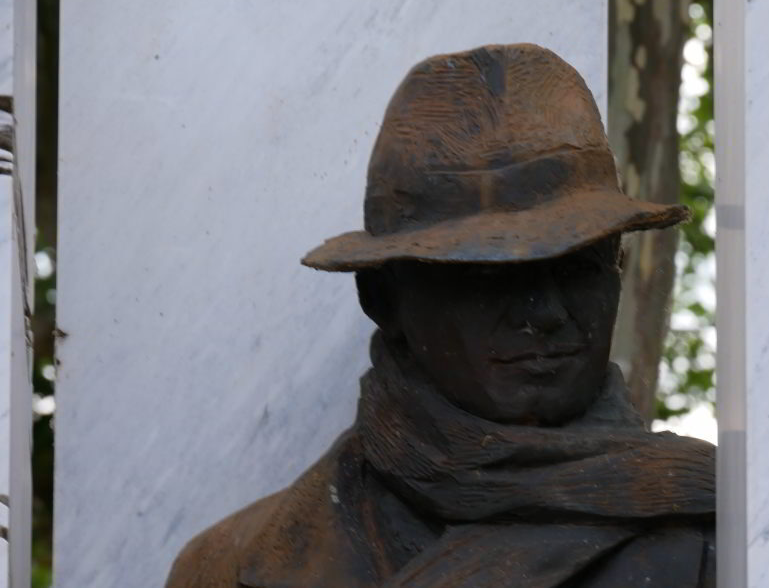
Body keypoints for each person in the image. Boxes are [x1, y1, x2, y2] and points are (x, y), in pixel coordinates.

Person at [166, 43, 715, 588]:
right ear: (384, 299)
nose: (545, 313)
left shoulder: (734, 537)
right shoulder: (224, 569)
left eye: (580, 267)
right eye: (490, 274)